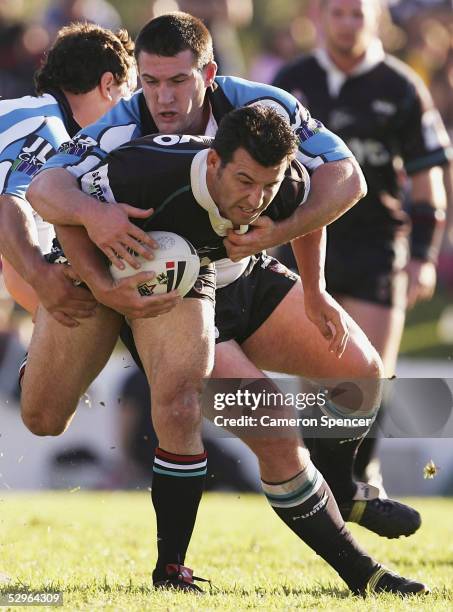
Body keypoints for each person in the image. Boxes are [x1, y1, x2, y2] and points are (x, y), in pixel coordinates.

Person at [25, 105, 428, 595]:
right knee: (261, 421)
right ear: (213, 162)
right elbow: (53, 201)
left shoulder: (279, 175)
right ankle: (184, 569)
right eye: (244, 181)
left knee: (358, 372)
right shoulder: (147, 170)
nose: (256, 198)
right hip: (168, 281)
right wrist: (100, 279)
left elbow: (314, 201)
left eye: (268, 185)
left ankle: (341, 493)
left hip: (236, 276)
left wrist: (313, 288)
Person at [273, 0, 452, 487]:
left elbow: (427, 180)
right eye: (339, 13)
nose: (348, 24)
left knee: (368, 373)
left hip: (378, 247)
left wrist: (422, 257)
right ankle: (320, 489)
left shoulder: (401, 87)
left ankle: (360, 476)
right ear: (319, 18)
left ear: (376, 21)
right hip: (303, 246)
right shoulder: (290, 80)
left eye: (358, 14)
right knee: (317, 375)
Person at [0, 22, 175, 330]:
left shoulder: (32, 117)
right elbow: (7, 205)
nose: (130, 115)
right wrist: (42, 276)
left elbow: (17, 271)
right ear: (108, 85)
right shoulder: (47, 129)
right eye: (128, 95)